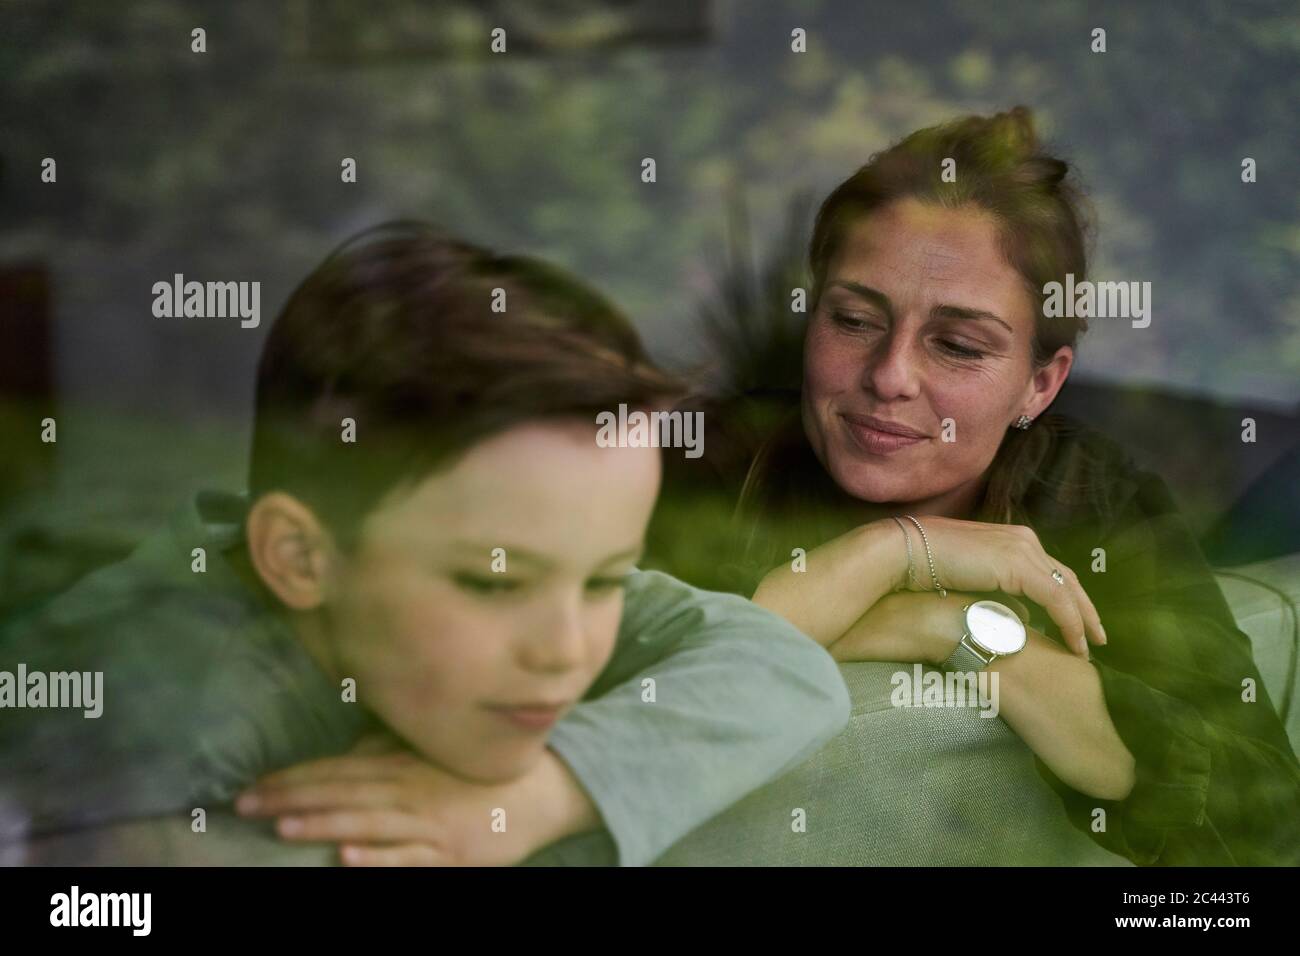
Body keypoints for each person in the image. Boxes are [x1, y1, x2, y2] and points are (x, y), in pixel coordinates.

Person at [0, 222, 849, 866]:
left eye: (606, 581)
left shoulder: (508, 570)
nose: (564, 652)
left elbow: (784, 670)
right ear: (298, 559)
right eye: (492, 585)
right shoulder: (156, 730)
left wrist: (542, 794)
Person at [649, 108, 1300, 865]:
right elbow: (638, 711)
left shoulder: (1093, 500)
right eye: (855, 320)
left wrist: (964, 638)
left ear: (1040, 384)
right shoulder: (699, 463)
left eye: (957, 345)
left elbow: (1260, 812)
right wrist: (896, 555)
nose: (889, 376)